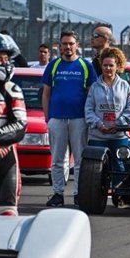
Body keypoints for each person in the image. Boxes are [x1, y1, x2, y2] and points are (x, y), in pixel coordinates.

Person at [41, 31, 96, 208]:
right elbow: (46, 93)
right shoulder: (53, 65)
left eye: (71, 43)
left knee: (80, 160)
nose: (67, 47)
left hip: (79, 119)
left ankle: (79, 194)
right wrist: (47, 117)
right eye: (64, 44)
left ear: (77, 45)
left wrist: (89, 117)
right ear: (59, 46)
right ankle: (58, 193)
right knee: (57, 159)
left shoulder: (86, 66)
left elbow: (91, 94)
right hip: (57, 119)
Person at [84, 47, 130, 198]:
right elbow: (88, 109)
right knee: (95, 170)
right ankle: (96, 197)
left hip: (118, 136)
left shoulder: (125, 86)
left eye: (111, 65)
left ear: (117, 66)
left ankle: (120, 196)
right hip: (97, 136)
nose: (108, 68)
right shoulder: (94, 87)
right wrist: (99, 124)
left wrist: (117, 124)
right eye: (105, 65)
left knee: (120, 167)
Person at [0, 35, 27, 216]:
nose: (4, 62)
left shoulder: (12, 89)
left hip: (4, 155)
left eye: (6, 58)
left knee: (7, 212)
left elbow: (20, 125)